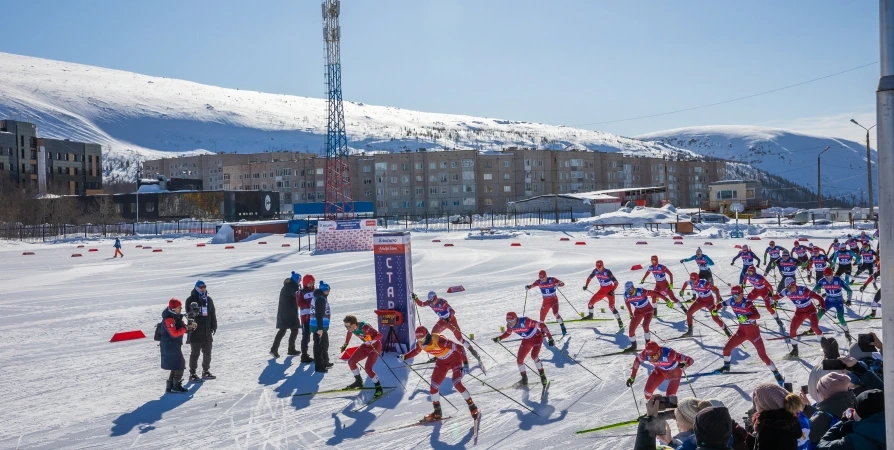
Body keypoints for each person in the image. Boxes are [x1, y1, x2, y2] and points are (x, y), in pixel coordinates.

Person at [402, 326, 479, 422]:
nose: (420, 342)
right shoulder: (421, 344)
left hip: (455, 359)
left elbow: (460, 348)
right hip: (442, 362)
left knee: (456, 383)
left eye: (421, 339)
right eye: (417, 339)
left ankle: (472, 406)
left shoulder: (439, 341)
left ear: (427, 336)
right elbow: (416, 351)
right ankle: (437, 412)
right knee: (433, 386)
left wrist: (466, 365)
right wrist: (404, 357)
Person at [713, 285, 785, 385]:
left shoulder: (747, 303)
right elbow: (721, 304)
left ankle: (777, 373)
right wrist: (715, 309)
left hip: (753, 332)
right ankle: (726, 366)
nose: (734, 297)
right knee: (726, 349)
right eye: (733, 295)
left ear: (741, 294)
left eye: (736, 295)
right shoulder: (732, 301)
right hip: (741, 331)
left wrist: (747, 318)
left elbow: (757, 315)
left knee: (763, 356)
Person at [412, 291, 480, 361]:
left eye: (432, 301)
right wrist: (416, 298)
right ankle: (439, 354)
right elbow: (421, 304)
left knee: (460, 339)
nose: (431, 303)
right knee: (433, 337)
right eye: (430, 301)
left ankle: (473, 351)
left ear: (435, 298)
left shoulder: (442, 303)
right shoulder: (430, 303)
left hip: (451, 322)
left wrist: (449, 318)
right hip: (442, 322)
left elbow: (452, 311)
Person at [493, 311, 553, 386]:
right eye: (508, 321)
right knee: (519, 360)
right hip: (527, 340)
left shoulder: (525, 322)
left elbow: (542, 325)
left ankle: (542, 375)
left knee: (534, 356)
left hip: (537, 338)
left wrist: (550, 338)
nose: (510, 323)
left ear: (516, 319)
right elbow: (508, 333)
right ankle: (524, 378)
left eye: (511, 321)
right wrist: (499, 338)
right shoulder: (509, 326)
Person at [774, 277, 825, 358]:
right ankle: (795, 351)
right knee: (792, 330)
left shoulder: (804, 290)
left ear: (794, 284)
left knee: (814, 327)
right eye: (788, 287)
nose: (790, 289)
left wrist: (822, 307)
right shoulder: (786, 291)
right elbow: (777, 297)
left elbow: (819, 298)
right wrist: (770, 295)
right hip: (799, 312)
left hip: (810, 311)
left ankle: (825, 346)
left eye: (791, 287)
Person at [817, 389, 885, 450]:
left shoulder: (852, 441)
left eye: (855, 409)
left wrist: (842, 423)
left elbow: (821, 446)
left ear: (860, 414)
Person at [626, 340, 693, 400]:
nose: (652, 359)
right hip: (660, 370)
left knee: (670, 396)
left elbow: (690, 360)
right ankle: (652, 408)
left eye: (654, 356)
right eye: (649, 357)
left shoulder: (669, 354)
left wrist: (684, 365)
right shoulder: (645, 354)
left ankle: (672, 410)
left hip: (674, 371)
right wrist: (632, 377)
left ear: (659, 352)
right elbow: (637, 361)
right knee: (647, 392)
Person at [801, 372, 854, 447]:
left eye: (818, 391)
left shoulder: (823, 416)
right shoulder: (855, 402)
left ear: (824, 394)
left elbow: (804, 440)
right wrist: (806, 408)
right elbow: (828, 416)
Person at [748, 382, 805, 450]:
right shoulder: (790, 421)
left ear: (766, 403)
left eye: (756, 399)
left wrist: (749, 442)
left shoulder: (768, 429)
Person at [340, 315, 384, 396]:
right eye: (345, 326)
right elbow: (349, 333)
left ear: (354, 324)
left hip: (375, 346)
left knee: (368, 368)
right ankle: (358, 381)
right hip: (365, 346)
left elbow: (380, 335)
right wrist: (345, 344)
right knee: (351, 362)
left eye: (348, 326)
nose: (347, 328)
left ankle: (379, 388)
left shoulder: (365, 327)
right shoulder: (351, 329)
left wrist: (372, 339)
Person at [160, 298, 196, 394]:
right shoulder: (169, 319)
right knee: (180, 364)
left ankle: (170, 386)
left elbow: (182, 328)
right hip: (169, 346)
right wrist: (185, 328)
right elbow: (174, 334)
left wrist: (190, 328)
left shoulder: (176, 317)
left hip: (174, 345)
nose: (181, 308)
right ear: (173, 308)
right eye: (179, 307)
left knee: (175, 365)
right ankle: (176, 385)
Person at [185, 280, 217, 381]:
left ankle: (205, 371)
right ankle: (192, 374)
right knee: (195, 354)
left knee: (207, 353)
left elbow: (212, 314)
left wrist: (214, 326)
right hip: (196, 332)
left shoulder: (209, 300)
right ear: (196, 288)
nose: (203, 289)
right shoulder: (191, 299)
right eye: (200, 287)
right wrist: (193, 312)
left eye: (204, 287)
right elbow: (189, 315)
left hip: (207, 331)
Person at [679, 273, 728, 338]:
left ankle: (727, 332)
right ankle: (690, 332)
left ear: (697, 279)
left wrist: (718, 300)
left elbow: (716, 290)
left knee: (715, 318)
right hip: (700, 300)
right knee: (689, 313)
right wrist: (682, 290)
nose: (692, 282)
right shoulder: (691, 282)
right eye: (691, 280)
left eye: (694, 280)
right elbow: (685, 283)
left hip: (709, 301)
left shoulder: (704, 284)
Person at [624, 280, 668, 349]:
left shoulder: (641, 291)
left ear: (632, 287)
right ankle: (633, 346)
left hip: (648, 310)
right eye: (627, 290)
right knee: (631, 330)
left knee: (645, 325)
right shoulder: (626, 295)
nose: (628, 292)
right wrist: (630, 312)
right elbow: (627, 302)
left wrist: (666, 300)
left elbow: (655, 293)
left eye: (629, 290)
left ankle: (648, 344)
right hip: (638, 312)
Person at [812, 267, 853, 342]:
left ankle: (846, 332)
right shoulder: (822, 281)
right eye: (826, 276)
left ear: (832, 275)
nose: (828, 278)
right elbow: (814, 290)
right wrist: (811, 295)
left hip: (838, 301)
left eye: (829, 276)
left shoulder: (838, 280)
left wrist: (849, 300)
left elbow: (849, 291)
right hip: (828, 301)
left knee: (840, 317)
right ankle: (813, 328)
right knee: (819, 314)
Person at [582, 260, 624, 329]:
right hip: (601, 291)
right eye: (597, 267)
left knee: (612, 307)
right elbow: (589, 278)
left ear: (603, 265)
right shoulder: (595, 271)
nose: (598, 268)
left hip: (609, 291)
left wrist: (612, 290)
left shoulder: (607, 272)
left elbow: (616, 282)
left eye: (600, 266)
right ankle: (590, 316)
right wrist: (586, 285)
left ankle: (620, 322)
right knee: (590, 304)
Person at [524, 270, 567, 335]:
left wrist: (558, 285)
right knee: (541, 318)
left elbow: (562, 283)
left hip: (553, 301)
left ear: (546, 276)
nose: (542, 280)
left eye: (543, 278)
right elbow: (532, 285)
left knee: (555, 313)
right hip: (546, 302)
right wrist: (528, 287)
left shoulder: (552, 280)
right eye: (541, 278)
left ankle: (562, 326)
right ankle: (542, 330)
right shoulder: (538, 282)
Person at [270, 271, 301, 358]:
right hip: (288, 312)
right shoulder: (292, 287)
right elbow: (298, 297)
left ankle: (276, 349)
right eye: (299, 280)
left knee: (285, 330)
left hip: (286, 311)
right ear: (295, 279)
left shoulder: (289, 286)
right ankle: (285, 349)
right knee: (292, 329)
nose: (300, 281)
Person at [310, 281, 333, 373]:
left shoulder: (320, 297)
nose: (329, 292)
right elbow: (319, 315)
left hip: (320, 326)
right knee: (319, 346)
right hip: (318, 327)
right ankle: (319, 366)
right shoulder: (320, 299)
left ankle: (324, 362)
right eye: (328, 290)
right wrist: (320, 329)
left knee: (324, 344)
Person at [297, 274, 316, 363]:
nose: (312, 284)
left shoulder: (315, 291)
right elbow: (300, 303)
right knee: (306, 336)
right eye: (310, 282)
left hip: (314, 317)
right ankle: (304, 355)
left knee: (316, 335)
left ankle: (318, 354)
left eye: (313, 282)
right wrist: (310, 304)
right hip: (306, 318)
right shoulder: (301, 292)